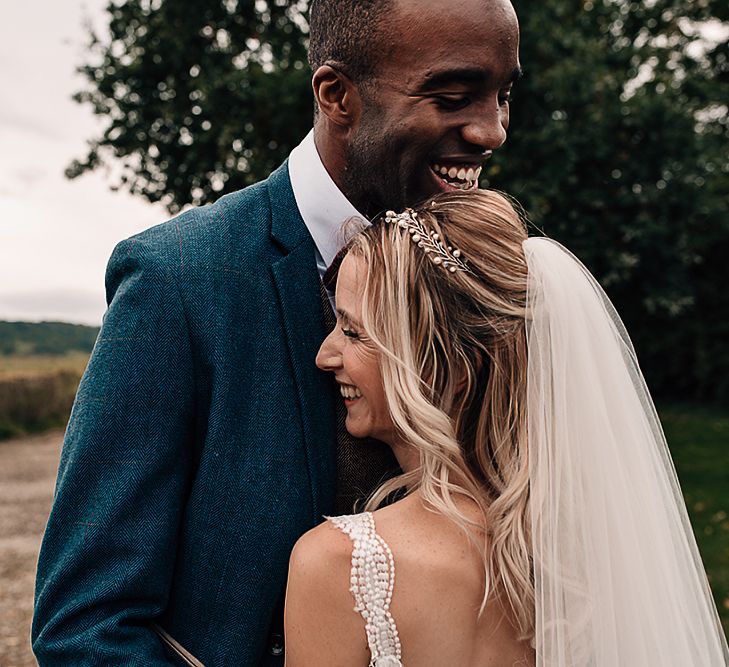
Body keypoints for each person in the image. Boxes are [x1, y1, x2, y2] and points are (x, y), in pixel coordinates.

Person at [32, 0, 521, 665]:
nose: (491, 131)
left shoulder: (489, 274)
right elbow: (86, 626)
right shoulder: (177, 280)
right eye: (455, 95)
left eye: (502, 95)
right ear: (336, 95)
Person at [284, 190, 729, 666]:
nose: (324, 355)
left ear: (449, 370)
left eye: (353, 332)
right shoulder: (604, 556)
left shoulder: (341, 565)